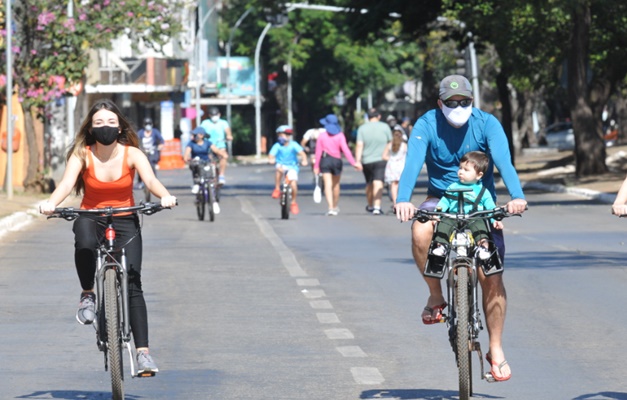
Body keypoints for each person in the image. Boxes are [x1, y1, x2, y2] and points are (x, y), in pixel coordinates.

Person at [395, 75, 527, 382]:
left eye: (464, 102)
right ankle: (435, 296)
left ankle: (496, 348)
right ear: (440, 103)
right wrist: (403, 200)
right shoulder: (427, 124)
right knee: (420, 230)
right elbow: (412, 164)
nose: (459, 107)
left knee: (490, 278)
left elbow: (505, 162)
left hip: (482, 204)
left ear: (472, 101)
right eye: (452, 103)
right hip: (440, 199)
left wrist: (517, 196)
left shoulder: (487, 124)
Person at [39, 99, 178, 375]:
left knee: (134, 282)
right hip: (91, 215)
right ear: (91, 128)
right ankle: (88, 293)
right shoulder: (82, 154)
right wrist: (51, 202)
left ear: (120, 127)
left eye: (111, 123)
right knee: (84, 241)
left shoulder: (132, 154)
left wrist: (164, 197)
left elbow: (150, 181)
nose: (105, 127)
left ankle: (143, 354)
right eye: (99, 123)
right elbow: (67, 184)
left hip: (126, 217)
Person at [430, 151, 503, 261]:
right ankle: (442, 246)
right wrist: (437, 214)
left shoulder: (483, 191)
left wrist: (495, 220)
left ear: (479, 175)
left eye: (466, 170)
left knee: (480, 227)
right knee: (443, 225)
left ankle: (482, 247)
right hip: (453, 217)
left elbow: (490, 208)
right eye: (460, 168)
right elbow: (444, 201)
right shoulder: (452, 187)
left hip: (474, 217)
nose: (460, 172)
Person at [314, 114, 361, 216]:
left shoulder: (322, 136)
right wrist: (354, 163)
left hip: (325, 160)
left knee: (327, 184)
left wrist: (316, 166)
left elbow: (318, 152)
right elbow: (346, 150)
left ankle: (330, 207)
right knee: (336, 185)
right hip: (337, 161)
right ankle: (335, 206)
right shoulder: (340, 135)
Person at [355, 108, 392, 215]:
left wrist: (357, 160)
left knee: (369, 183)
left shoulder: (362, 128)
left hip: (366, 160)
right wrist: (387, 153)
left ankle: (370, 205)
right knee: (378, 182)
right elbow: (390, 142)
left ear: (368, 117)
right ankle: (376, 206)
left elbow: (359, 145)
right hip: (381, 159)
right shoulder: (385, 127)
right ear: (379, 116)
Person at [183, 126, 228, 214]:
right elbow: (187, 153)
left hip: (206, 162)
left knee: (211, 175)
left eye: (195, 134)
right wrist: (187, 158)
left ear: (201, 135)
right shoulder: (191, 144)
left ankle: (213, 200)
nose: (193, 136)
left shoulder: (208, 143)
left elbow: (216, 150)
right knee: (195, 167)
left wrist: (223, 154)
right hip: (196, 162)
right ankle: (196, 184)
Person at [268, 125, 308, 215]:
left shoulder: (293, 144)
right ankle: (277, 189)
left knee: (293, 185)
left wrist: (304, 160)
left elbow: (302, 153)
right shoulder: (277, 145)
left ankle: (293, 202)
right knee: (278, 170)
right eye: (280, 135)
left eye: (284, 135)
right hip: (281, 165)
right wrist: (271, 159)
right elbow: (271, 155)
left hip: (292, 166)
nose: (281, 137)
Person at [200, 107, 232, 185]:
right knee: (207, 161)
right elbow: (200, 131)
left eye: (216, 115)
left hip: (220, 145)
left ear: (219, 114)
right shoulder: (205, 123)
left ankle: (221, 175)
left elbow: (228, 131)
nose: (214, 117)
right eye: (212, 115)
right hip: (209, 145)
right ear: (209, 115)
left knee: (224, 156)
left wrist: (229, 136)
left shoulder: (223, 123)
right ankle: (206, 176)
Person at [135, 117, 165, 189]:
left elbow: (161, 141)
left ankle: (153, 181)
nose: (148, 125)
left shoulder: (155, 132)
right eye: (146, 124)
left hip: (152, 151)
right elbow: (136, 140)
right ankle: (140, 181)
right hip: (143, 151)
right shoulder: (141, 132)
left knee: (152, 165)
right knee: (140, 165)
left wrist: (159, 147)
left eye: (149, 124)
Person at [382, 125, 408, 206]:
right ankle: (401, 200)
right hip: (401, 166)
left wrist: (391, 159)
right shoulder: (404, 145)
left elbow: (384, 156)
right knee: (402, 184)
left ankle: (395, 202)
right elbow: (408, 156)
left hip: (392, 166)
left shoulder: (390, 144)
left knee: (393, 185)